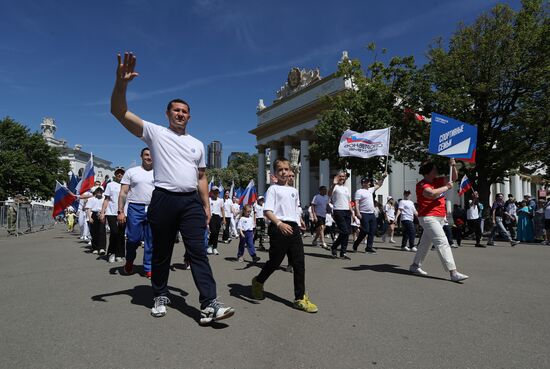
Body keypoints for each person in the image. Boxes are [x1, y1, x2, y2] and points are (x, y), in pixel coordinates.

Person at [110, 52, 233, 323]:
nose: (181, 114)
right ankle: (160, 295)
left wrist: (207, 205)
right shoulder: (155, 133)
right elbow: (118, 112)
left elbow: (201, 178)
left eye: (185, 111)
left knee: (197, 252)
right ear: (168, 114)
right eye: (176, 110)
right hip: (163, 199)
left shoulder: (197, 145)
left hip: (190, 202)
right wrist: (122, 83)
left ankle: (209, 303)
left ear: (189, 117)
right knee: (162, 252)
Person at [251, 158, 317, 313]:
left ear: (290, 171)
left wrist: (299, 220)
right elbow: (268, 211)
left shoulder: (294, 191)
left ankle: (300, 298)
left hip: (293, 228)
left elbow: (295, 209)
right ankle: (258, 281)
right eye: (280, 170)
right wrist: (279, 224)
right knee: (275, 261)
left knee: (299, 263)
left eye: (286, 169)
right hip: (278, 227)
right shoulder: (273, 189)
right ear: (275, 173)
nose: (283, 172)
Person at [409, 159, 469, 282]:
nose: (436, 171)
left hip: (439, 217)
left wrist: (453, 165)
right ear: (427, 173)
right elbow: (431, 194)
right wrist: (446, 187)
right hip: (428, 217)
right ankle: (453, 272)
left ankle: (415, 266)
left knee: (425, 244)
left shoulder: (438, 180)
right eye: (434, 169)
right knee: (442, 242)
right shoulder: (421, 185)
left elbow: (453, 177)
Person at [118, 147, 155, 278]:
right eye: (146, 155)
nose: (149, 157)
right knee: (133, 239)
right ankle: (129, 261)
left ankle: (148, 267)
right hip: (135, 208)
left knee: (151, 240)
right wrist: (121, 211)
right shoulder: (132, 172)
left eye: (151, 155)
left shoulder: (160, 172)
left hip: (153, 209)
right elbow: (123, 193)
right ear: (141, 156)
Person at [352, 174, 387, 253]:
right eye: (367, 182)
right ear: (363, 183)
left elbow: (379, 184)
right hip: (363, 214)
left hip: (371, 214)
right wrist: (357, 213)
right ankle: (356, 244)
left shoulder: (370, 190)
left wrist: (383, 178)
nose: (369, 183)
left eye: (369, 182)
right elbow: (356, 203)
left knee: (372, 230)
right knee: (365, 230)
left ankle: (369, 247)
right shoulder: (359, 191)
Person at [101, 168, 126, 263]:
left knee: (121, 233)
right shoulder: (110, 185)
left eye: (122, 173)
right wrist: (103, 212)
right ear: (115, 175)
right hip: (111, 212)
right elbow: (106, 199)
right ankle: (112, 253)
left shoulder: (127, 186)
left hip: (123, 213)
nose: (120, 175)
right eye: (118, 173)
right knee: (114, 232)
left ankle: (120, 254)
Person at [328, 170, 352, 259]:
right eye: (340, 176)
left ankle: (343, 252)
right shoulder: (335, 186)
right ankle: (334, 247)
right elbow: (329, 194)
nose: (342, 178)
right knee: (344, 231)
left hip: (347, 211)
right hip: (338, 210)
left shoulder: (346, 188)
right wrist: (334, 184)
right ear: (337, 177)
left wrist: (352, 212)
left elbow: (348, 201)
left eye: (343, 176)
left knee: (347, 232)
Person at [86, 186, 106, 255]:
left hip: (102, 214)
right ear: (95, 192)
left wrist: (103, 214)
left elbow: (107, 207)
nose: (99, 192)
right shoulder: (91, 199)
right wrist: (90, 217)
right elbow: (88, 209)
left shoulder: (104, 199)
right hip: (94, 215)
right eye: (98, 191)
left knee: (102, 231)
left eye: (100, 191)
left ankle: (102, 248)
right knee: (94, 232)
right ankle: (95, 248)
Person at [207, 186, 225, 255]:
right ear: (211, 192)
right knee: (213, 232)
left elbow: (222, 210)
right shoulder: (209, 199)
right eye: (214, 191)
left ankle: (214, 247)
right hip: (211, 216)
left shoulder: (220, 200)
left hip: (218, 217)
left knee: (217, 233)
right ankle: (209, 245)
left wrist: (224, 219)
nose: (216, 193)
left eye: (217, 191)